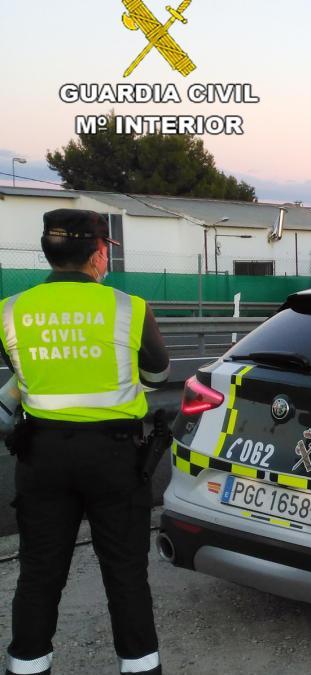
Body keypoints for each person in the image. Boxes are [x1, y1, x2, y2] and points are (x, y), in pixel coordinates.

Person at [1, 209, 169, 675]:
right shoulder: (128, 307)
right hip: (114, 456)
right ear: (98, 254)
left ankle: (27, 667)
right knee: (125, 575)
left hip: (41, 454)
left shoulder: (10, 309)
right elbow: (158, 373)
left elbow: (21, 377)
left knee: (38, 572)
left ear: (48, 252)